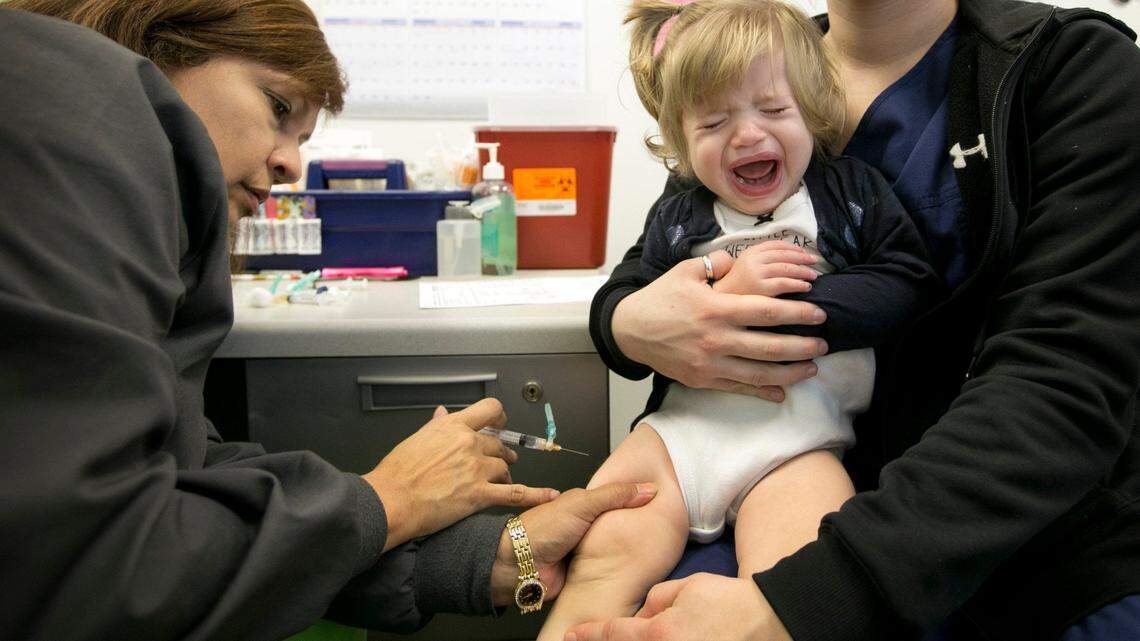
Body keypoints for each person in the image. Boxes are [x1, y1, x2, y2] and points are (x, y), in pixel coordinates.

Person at [0, 3, 656, 639]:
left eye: (302, 138)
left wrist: (492, 554)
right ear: (163, 40)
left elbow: (186, 485)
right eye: (278, 107)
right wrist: (392, 498)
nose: (291, 164)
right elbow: (99, 567)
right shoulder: (77, 100)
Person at [574, 0, 1140, 640]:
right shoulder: (754, 59)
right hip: (748, 484)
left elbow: (1059, 385)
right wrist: (622, 324)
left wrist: (808, 601)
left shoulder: (1069, 68)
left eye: (773, 113)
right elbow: (646, 272)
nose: (748, 131)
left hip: (1019, 547)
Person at [536, 2, 938, 639]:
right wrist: (712, 289)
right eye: (714, 122)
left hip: (795, 446)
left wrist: (781, 312)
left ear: (813, 109)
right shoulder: (680, 212)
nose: (747, 136)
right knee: (603, 559)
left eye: (774, 111)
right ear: (682, 145)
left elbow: (906, 283)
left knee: (790, 578)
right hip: (675, 440)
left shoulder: (849, 193)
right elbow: (628, 301)